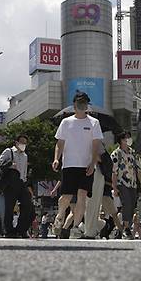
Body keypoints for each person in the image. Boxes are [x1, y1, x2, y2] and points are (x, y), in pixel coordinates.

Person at [52, 92, 103, 239]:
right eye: (80, 102)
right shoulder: (66, 122)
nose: (82, 105)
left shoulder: (94, 122)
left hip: (86, 166)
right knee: (66, 197)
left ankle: (75, 227)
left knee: (82, 196)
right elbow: (60, 143)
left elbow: (96, 145)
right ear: (74, 105)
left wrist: (92, 163)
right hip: (69, 165)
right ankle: (60, 216)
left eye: (85, 102)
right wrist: (56, 158)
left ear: (87, 105)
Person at [111, 132, 141, 239]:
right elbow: (114, 172)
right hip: (122, 183)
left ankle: (123, 228)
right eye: (126, 138)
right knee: (126, 203)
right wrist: (114, 187)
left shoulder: (134, 153)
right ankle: (126, 228)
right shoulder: (116, 154)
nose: (128, 140)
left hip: (133, 184)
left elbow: (139, 169)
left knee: (131, 206)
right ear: (121, 140)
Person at [0, 136, 31, 238]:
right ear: (16, 142)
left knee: (27, 205)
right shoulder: (9, 152)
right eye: (22, 142)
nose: (23, 144)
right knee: (9, 208)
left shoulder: (25, 156)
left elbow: (24, 171)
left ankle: (21, 229)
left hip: (21, 182)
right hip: (11, 183)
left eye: (25, 143)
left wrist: (25, 182)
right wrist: (9, 164)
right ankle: (9, 231)